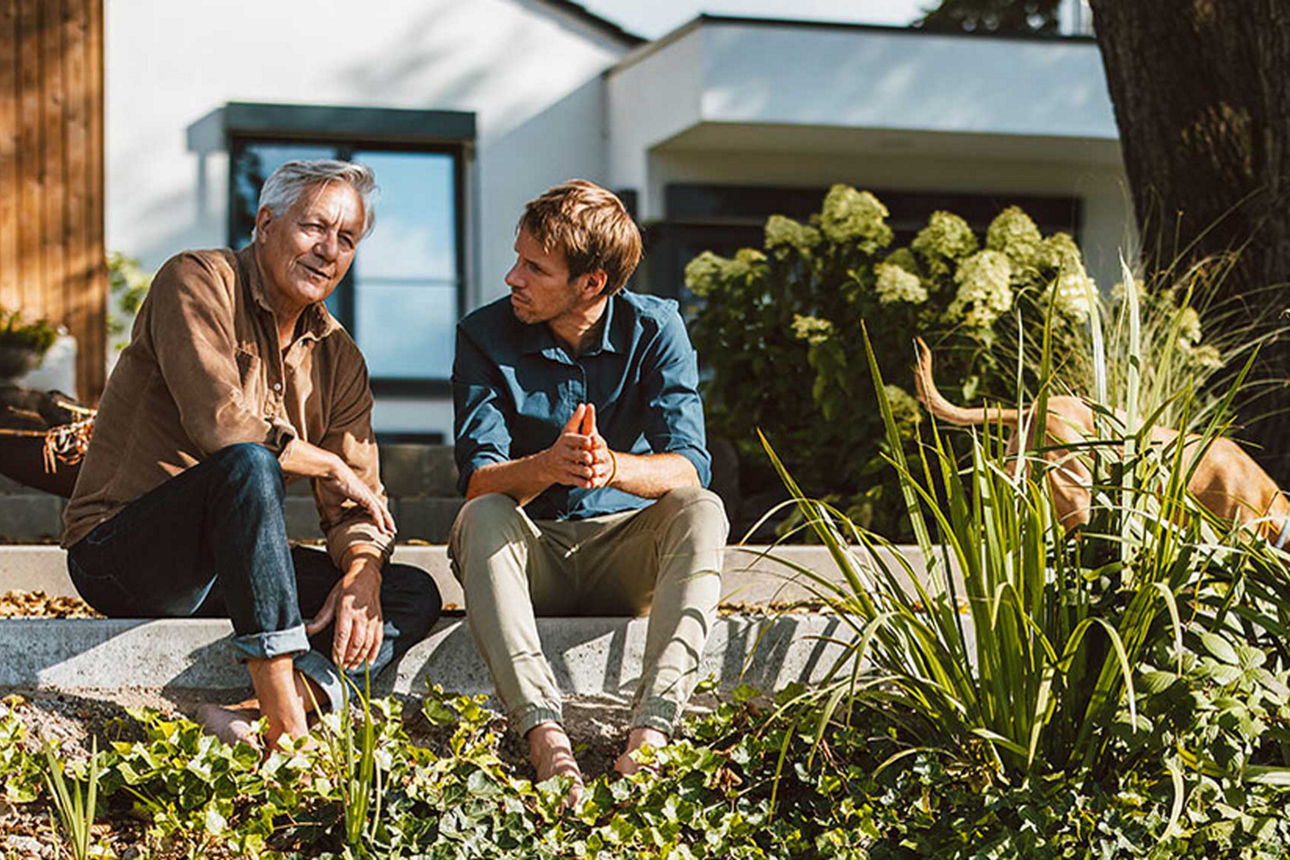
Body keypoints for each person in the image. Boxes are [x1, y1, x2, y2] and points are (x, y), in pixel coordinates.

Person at [62, 159, 441, 750]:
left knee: (409, 590)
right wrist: (328, 464)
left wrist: (363, 569)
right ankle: (287, 725)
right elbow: (221, 424)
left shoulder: (339, 357)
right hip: (121, 552)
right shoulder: (195, 280)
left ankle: (245, 710)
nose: (329, 250)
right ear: (266, 223)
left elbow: (356, 505)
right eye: (315, 228)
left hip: (231, 564)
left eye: (347, 239)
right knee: (248, 461)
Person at [450, 179, 729, 800]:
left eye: (533, 267)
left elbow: (690, 465)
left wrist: (611, 467)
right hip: (530, 555)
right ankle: (544, 736)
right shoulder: (481, 335)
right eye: (518, 258)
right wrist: (549, 466)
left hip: (623, 557)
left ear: (592, 283)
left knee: (702, 510)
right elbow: (477, 482)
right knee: (484, 514)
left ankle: (650, 737)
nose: (511, 278)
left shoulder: (657, 328)